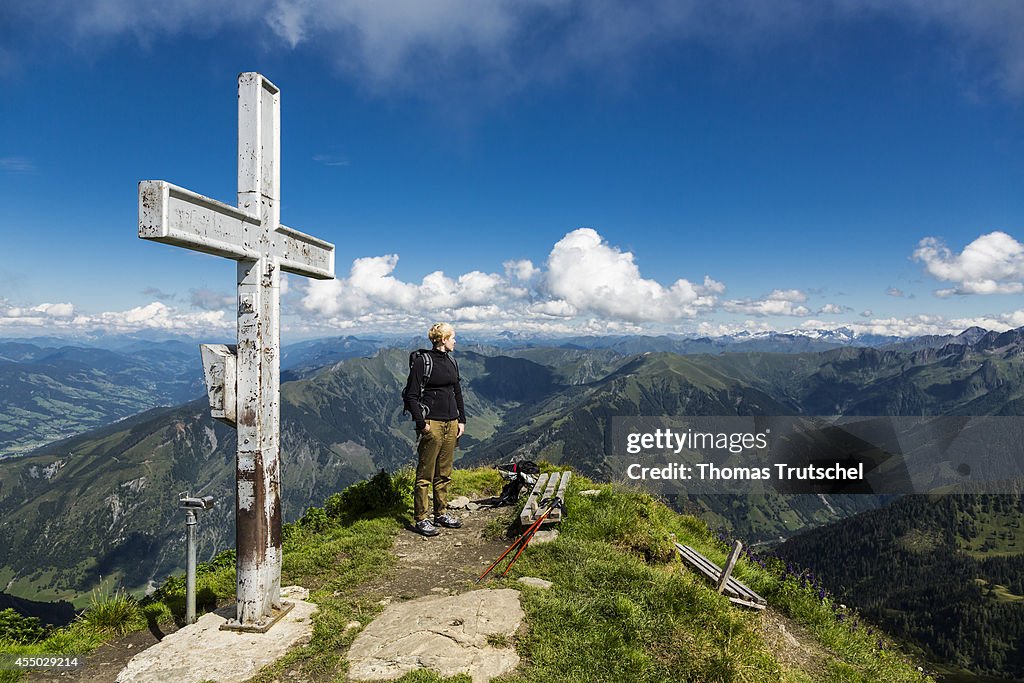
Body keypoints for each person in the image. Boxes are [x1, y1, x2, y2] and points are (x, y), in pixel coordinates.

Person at [402, 322, 466, 536]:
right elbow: (411, 395)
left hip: (452, 422)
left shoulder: (451, 361)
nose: (455, 341)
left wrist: (462, 420)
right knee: (425, 473)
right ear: (443, 339)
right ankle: (421, 518)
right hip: (433, 423)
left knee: (444, 472)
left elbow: (457, 392)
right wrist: (422, 424)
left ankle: (441, 513)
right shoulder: (423, 362)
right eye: (453, 337)